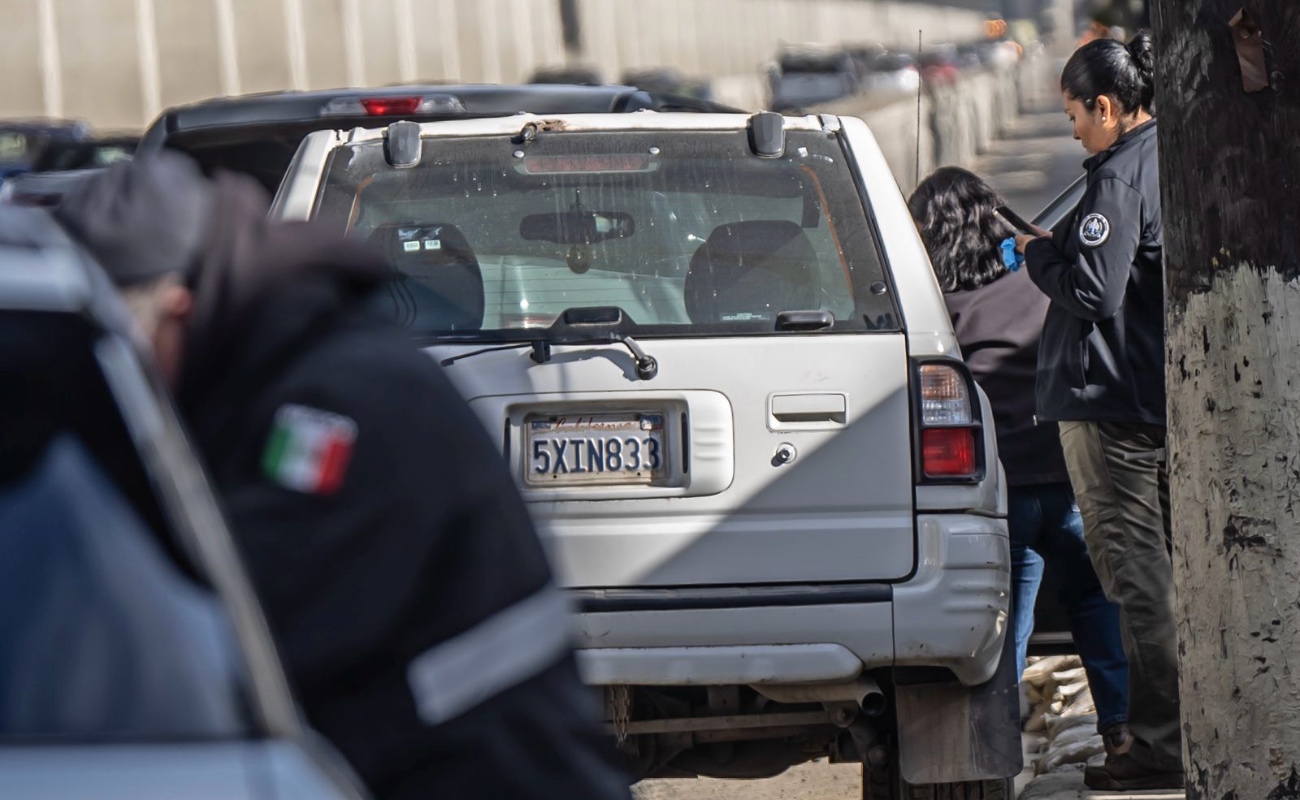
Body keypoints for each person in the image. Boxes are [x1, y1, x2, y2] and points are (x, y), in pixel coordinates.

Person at [52, 153, 632, 800]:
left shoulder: (334, 405)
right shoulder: (274, 369)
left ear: (179, 309)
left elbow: (247, 627)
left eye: (121, 348)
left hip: (492, 772)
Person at [907, 165, 1130, 756]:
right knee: (1097, 612)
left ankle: (993, 751)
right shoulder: (1045, 288)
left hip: (1000, 499)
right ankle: (1122, 731)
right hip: (1070, 481)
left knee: (1005, 630)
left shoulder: (940, 316)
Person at [1016, 32, 1180, 790]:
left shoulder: (1117, 178)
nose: (1072, 129)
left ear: (1109, 108)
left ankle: (1158, 744)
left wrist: (1042, 257)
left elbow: (1093, 292)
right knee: (1161, 576)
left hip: (1111, 409)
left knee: (1135, 578)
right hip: (1152, 397)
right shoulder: (1168, 155)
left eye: (1076, 113)